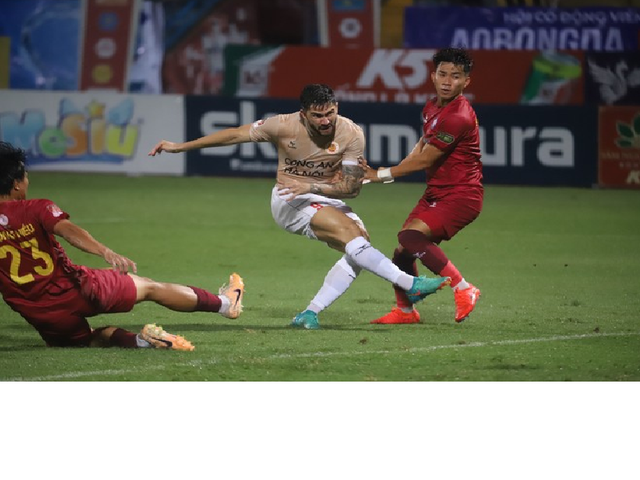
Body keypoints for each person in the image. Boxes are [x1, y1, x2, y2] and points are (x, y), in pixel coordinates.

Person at [148, 83, 449, 330]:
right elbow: (234, 135)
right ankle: (409, 283)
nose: (325, 120)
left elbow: (352, 189)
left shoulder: (351, 133)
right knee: (351, 236)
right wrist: (180, 147)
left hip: (322, 195)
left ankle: (309, 314)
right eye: (318, 115)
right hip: (288, 198)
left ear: (337, 108)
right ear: (303, 114)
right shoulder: (282, 125)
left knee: (360, 246)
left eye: (330, 113)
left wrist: (314, 187)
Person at [0, 141, 245, 350]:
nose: (28, 182)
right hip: (78, 288)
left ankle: (142, 341)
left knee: (90, 339)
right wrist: (104, 251)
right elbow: (69, 231)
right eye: (26, 177)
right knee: (150, 288)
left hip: (41, 313)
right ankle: (226, 305)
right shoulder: (35, 208)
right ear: (16, 184)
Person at [362, 47, 482, 324]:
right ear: (433, 76)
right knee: (403, 252)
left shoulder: (458, 116)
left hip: (461, 195)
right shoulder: (432, 107)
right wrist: (385, 174)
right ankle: (405, 311)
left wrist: (380, 174)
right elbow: (421, 148)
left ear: (466, 81)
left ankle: (463, 287)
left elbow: (426, 159)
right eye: (442, 74)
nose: (447, 81)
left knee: (410, 237)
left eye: (455, 76)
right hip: (436, 193)